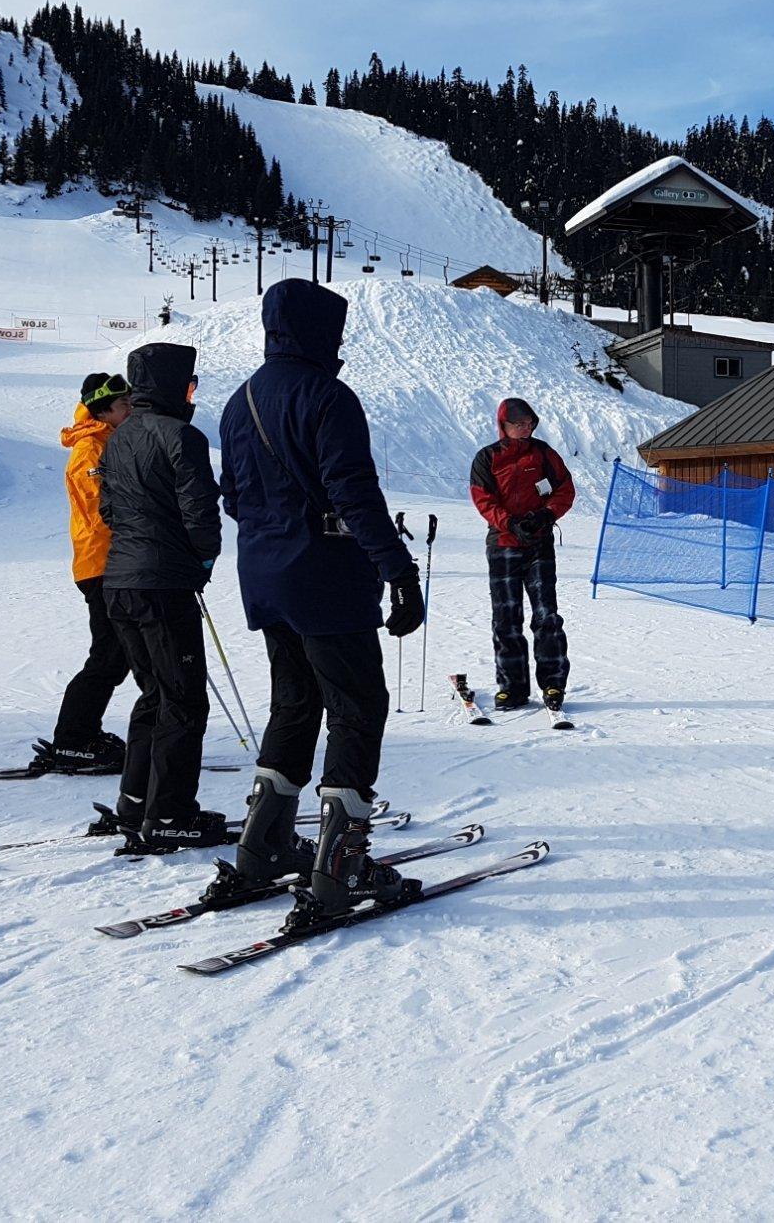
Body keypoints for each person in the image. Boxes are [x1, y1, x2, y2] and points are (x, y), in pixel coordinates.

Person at [218, 280, 425, 922]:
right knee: (359, 706)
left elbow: (233, 498)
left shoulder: (238, 400)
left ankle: (262, 847)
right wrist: (398, 570)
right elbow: (354, 494)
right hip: (324, 578)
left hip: (263, 574)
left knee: (296, 701)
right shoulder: (327, 396)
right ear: (317, 331)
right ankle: (342, 866)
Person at [97, 342, 226, 852]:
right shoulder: (182, 436)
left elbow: (109, 512)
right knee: (183, 701)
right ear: (176, 385)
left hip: (120, 582)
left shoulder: (118, 437)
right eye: (191, 383)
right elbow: (201, 513)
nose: (193, 393)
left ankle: (136, 803)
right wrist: (202, 559)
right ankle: (169, 813)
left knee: (154, 695)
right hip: (163, 584)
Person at [28, 372, 134, 776]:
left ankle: (81, 734)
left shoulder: (108, 440)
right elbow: (101, 511)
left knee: (116, 654)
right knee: (108, 654)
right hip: (101, 564)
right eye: (123, 405)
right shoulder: (90, 450)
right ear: (104, 411)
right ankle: (73, 740)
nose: (130, 409)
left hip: (115, 562)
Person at [469, 397, 575, 710]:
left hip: (539, 545)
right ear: (504, 425)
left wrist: (546, 515)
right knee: (506, 619)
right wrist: (511, 524)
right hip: (503, 546)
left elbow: (565, 489)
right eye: (519, 424)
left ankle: (553, 685)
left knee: (547, 617)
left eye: (529, 423)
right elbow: (483, 500)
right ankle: (512, 687)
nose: (526, 428)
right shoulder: (487, 458)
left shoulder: (543, 454)